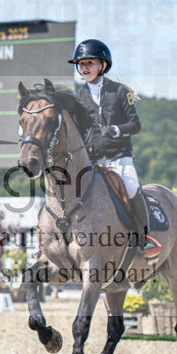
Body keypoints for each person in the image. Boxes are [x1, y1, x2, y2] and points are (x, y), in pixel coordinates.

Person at [69, 38, 161, 259]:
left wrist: (116, 130)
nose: (84, 68)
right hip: (91, 160)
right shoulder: (78, 97)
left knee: (130, 186)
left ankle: (143, 236)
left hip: (119, 158)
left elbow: (135, 124)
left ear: (103, 65)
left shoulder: (120, 91)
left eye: (89, 63)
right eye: (81, 64)